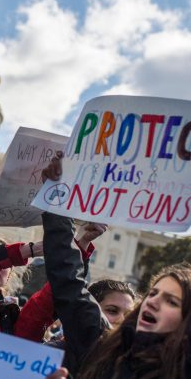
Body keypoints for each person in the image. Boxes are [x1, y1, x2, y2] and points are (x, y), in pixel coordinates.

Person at [42, 151, 191, 378]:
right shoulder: (104, 343)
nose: (152, 302)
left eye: (171, 301)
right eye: (153, 293)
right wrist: (55, 199)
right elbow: (68, 279)